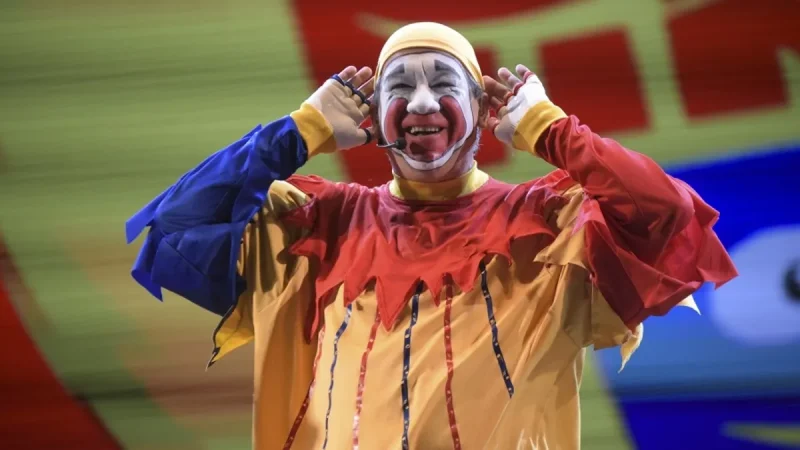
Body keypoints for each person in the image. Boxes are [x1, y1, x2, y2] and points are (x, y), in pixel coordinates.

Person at [126, 22, 737, 450]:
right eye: (399, 88)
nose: (422, 102)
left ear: (482, 110)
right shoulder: (311, 225)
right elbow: (176, 228)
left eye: (444, 85)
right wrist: (298, 130)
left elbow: (667, 215)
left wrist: (554, 130)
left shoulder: (549, 223)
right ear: (374, 116)